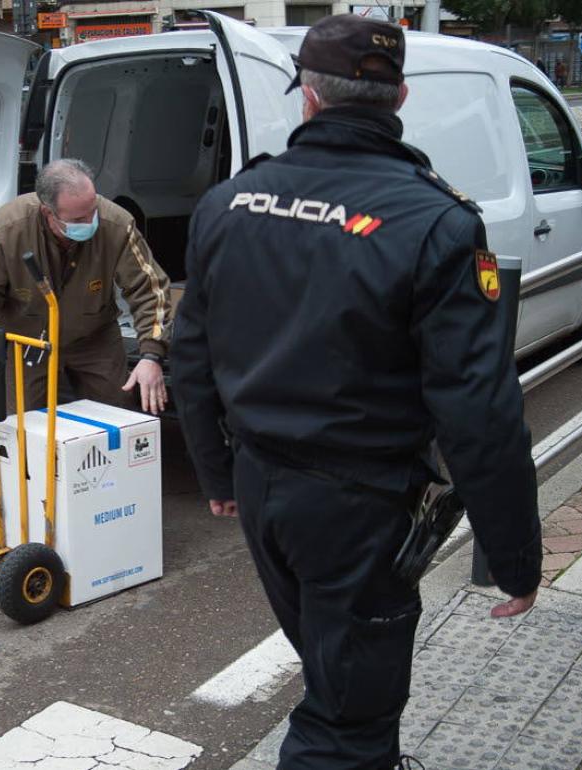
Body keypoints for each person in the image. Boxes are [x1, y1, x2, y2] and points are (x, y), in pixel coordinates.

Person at [171, 15, 541, 770]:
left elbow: (191, 352)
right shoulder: (435, 221)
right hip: (357, 505)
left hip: (261, 484)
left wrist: (216, 473)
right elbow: (478, 409)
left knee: (332, 666)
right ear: (399, 96)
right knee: (347, 716)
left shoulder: (230, 202)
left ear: (307, 97)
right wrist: (516, 558)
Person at [0, 159, 172, 416]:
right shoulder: (6, 230)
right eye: (79, 218)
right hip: (27, 340)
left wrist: (151, 355)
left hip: (94, 338)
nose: (90, 222)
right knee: (23, 424)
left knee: (117, 413)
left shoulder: (116, 224)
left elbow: (150, 288)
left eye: (93, 211)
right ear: (48, 213)